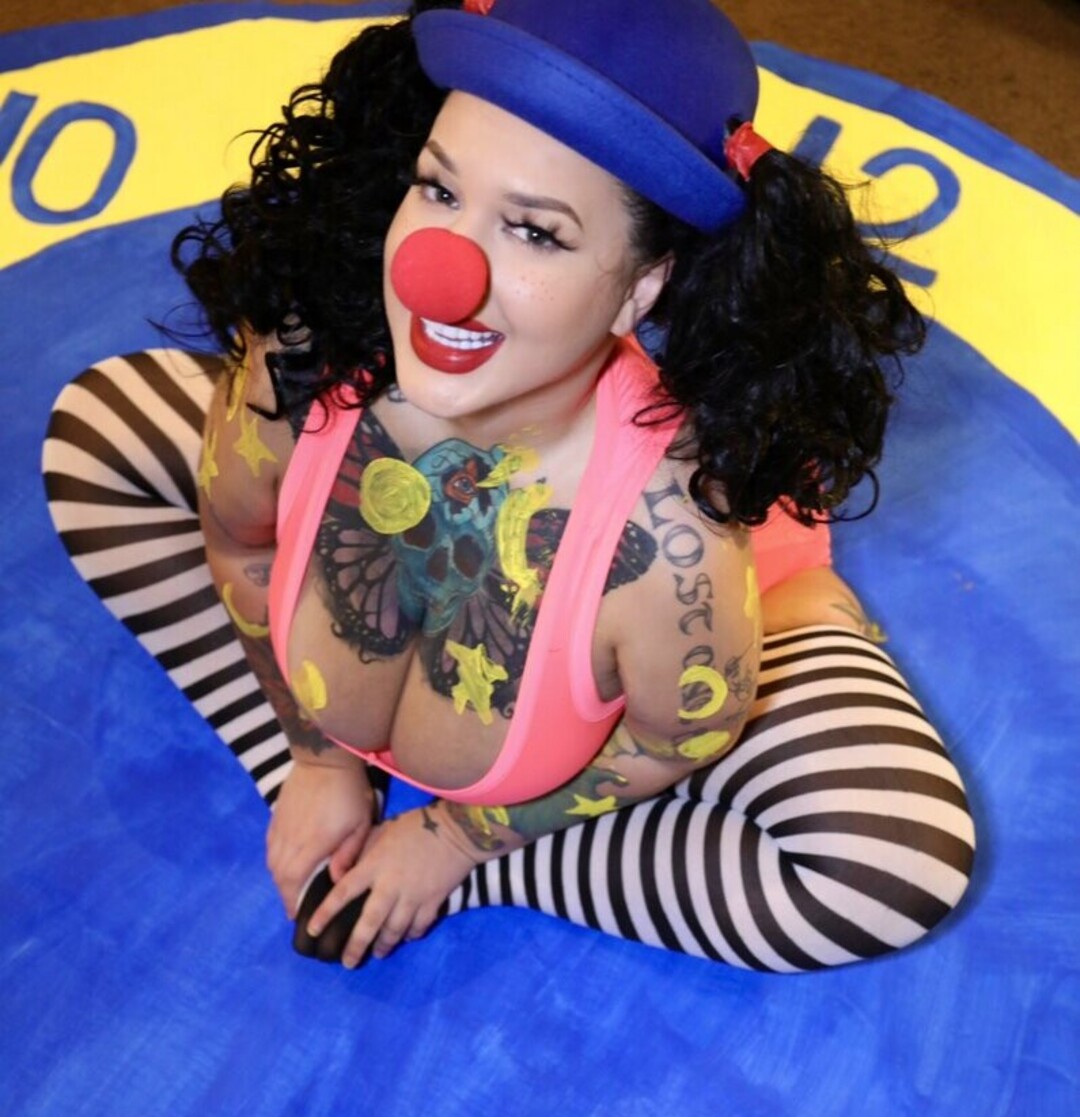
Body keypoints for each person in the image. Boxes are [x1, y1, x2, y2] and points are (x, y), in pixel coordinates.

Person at [43, 0, 975, 972]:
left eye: (534, 231)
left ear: (642, 289)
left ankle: (787, 627)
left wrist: (455, 842)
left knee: (888, 860)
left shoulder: (674, 550)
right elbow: (239, 538)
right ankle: (326, 771)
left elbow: (673, 743)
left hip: (698, 609)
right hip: (423, 524)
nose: (439, 273)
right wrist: (311, 756)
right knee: (95, 434)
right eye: (439, 190)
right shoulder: (306, 360)